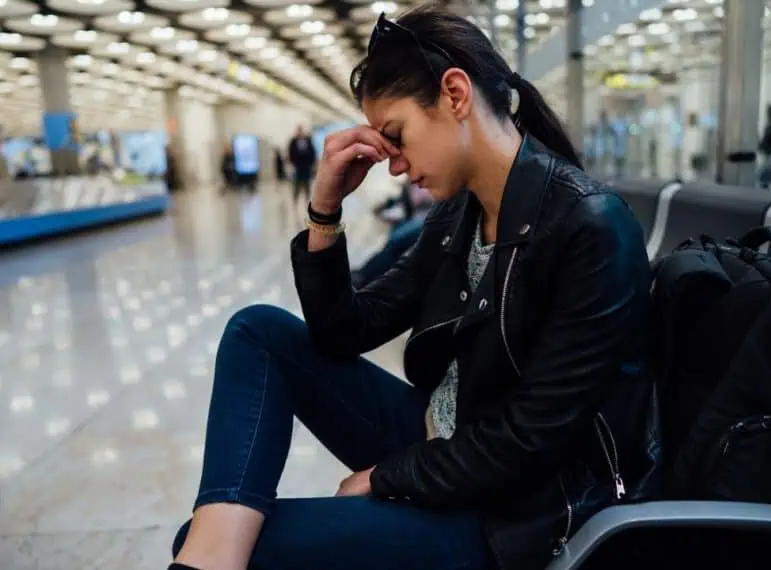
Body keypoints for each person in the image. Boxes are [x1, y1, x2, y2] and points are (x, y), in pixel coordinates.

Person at [169, 6, 658, 570]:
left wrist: (386, 477)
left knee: (234, 543)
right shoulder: (461, 216)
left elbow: (530, 439)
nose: (394, 166)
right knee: (257, 331)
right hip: (445, 442)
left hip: (513, 511)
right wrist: (325, 209)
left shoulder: (589, 225)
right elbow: (345, 331)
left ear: (455, 95)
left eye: (396, 137)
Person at [288, 126, 316, 202]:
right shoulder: (293, 141)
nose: (300, 133)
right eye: (299, 131)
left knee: (307, 183)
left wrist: (312, 163)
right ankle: (295, 199)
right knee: (297, 184)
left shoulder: (308, 140)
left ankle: (308, 199)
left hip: (307, 166)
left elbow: (312, 152)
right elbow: (290, 153)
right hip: (297, 166)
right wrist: (293, 163)